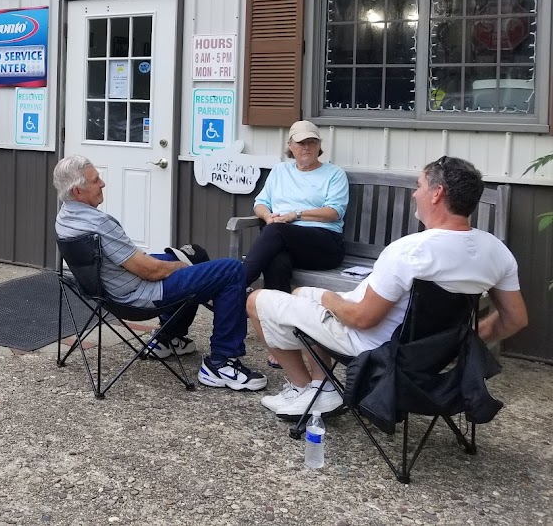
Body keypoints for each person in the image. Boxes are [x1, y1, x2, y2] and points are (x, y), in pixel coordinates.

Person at [247, 156, 529, 418]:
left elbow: (361, 319)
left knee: (256, 300)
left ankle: (304, 387)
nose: (414, 194)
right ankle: (322, 387)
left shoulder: (410, 251)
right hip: (422, 353)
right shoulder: (497, 251)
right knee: (302, 293)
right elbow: (514, 319)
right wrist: (453, 345)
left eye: (419, 186)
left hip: (370, 345)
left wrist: (329, 299)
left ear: (437, 193)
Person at [53, 155, 266, 391]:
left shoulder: (64, 218)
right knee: (231, 270)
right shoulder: (99, 223)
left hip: (109, 293)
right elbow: (151, 271)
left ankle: (168, 337)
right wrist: (182, 269)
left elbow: (130, 262)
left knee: (193, 253)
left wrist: (183, 265)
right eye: (96, 180)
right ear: (78, 191)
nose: (102, 183)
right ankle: (221, 363)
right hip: (138, 296)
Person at [244, 120, 349, 293]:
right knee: (276, 261)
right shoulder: (280, 170)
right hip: (285, 242)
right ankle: (277, 310)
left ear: (319, 146)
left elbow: (334, 212)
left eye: (311, 142)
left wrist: (296, 214)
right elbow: (261, 203)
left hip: (324, 244)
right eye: (301, 143)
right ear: (290, 146)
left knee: (275, 231)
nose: (306, 147)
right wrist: (267, 216)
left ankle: (236, 284)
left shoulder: (334, 174)